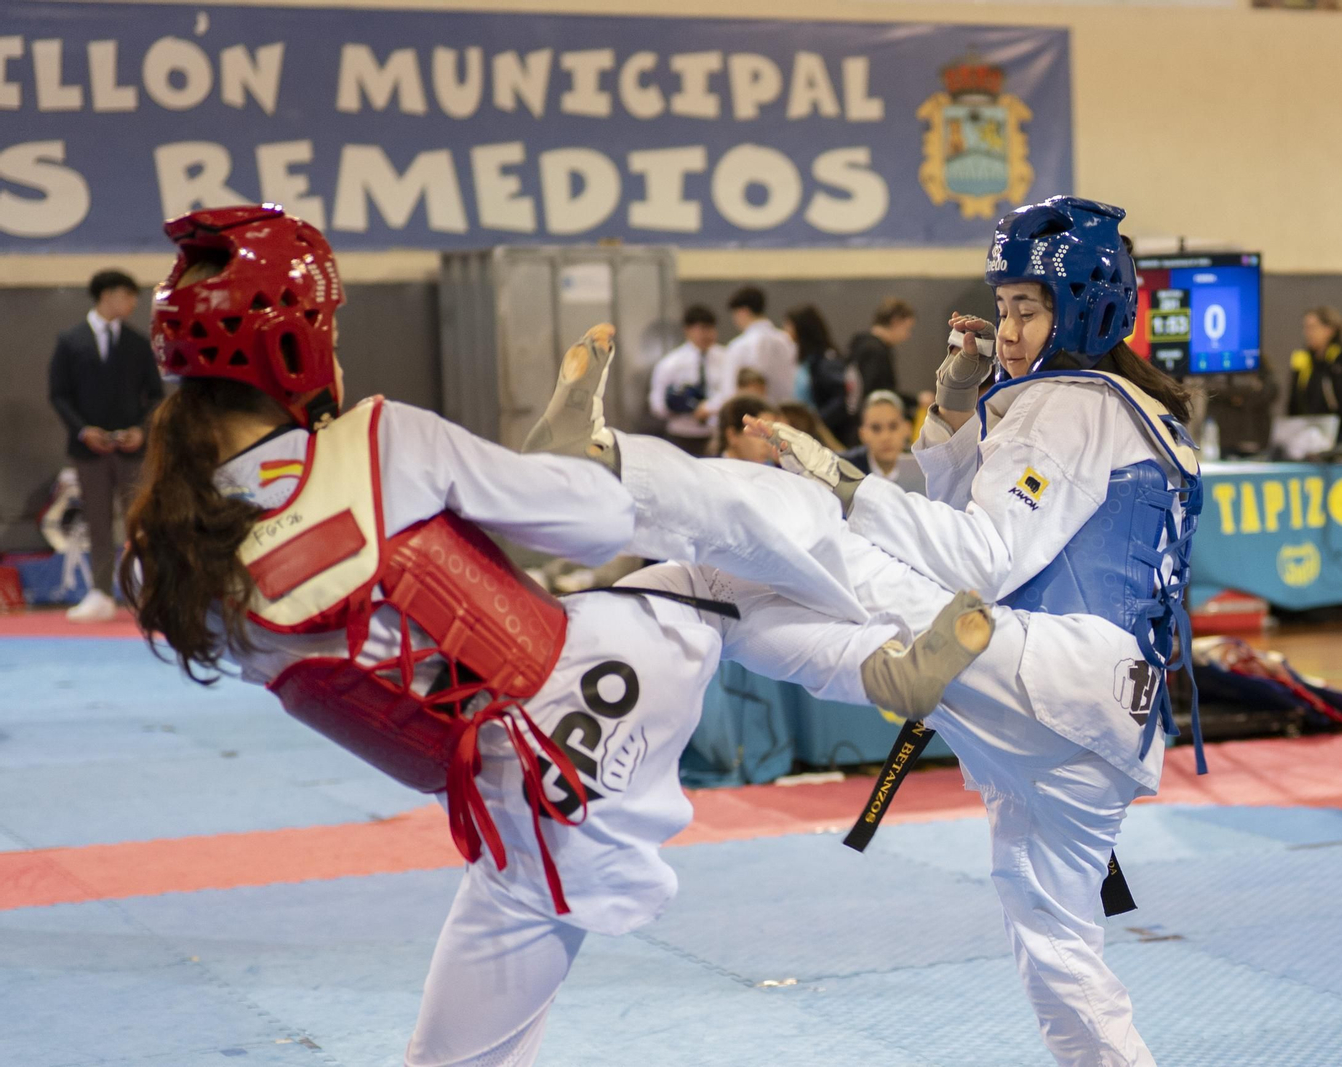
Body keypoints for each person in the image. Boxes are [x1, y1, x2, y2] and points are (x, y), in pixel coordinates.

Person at [120, 205, 990, 1067]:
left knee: (456, 1059)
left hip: (526, 816)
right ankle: (873, 659)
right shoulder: (379, 441)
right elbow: (583, 528)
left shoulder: (166, 572)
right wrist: (576, 473)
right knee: (724, 540)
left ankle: (877, 660)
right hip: (605, 677)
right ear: (294, 349)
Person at [707, 196, 1200, 1066]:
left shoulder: (1072, 406)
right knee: (1055, 949)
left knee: (833, 567)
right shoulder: (1121, 405)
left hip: (1059, 671)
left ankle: (645, 523)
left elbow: (979, 557)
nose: (1007, 331)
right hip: (1106, 725)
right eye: (1002, 307)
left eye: (1028, 309)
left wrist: (846, 487)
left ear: (1081, 309)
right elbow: (965, 522)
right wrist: (952, 411)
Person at [47, 268, 164, 622]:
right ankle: (100, 592)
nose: (131, 303)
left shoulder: (137, 343)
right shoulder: (71, 342)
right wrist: (84, 430)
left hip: (131, 449)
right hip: (90, 451)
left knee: (139, 521)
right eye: (127, 296)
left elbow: (156, 395)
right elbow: (59, 394)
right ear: (108, 295)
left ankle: (147, 591)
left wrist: (142, 430)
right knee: (97, 522)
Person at [1286, 306, 1342, 443]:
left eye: (1312, 327)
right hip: (1311, 441)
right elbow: (1293, 406)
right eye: (1305, 327)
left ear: (1330, 330)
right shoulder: (1302, 361)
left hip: (1341, 440)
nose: (1307, 333)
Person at [647, 304, 725, 455]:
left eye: (711, 328)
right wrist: (680, 405)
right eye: (702, 329)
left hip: (714, 434)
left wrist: (709, 407)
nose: (707, 334)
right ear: (688, 330)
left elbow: (731, 392)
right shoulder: (670, 363)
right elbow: (656, 404)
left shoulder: (726, 358)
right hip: (681, 435)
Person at [705, 286, 797, 407]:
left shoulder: (739, 347)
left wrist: (708, 407)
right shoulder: (786, 342)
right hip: (784, 414)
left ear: (743, 311)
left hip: (753, 416)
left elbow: (729, 392)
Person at [785, 304, 858, 445]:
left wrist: (817, 422)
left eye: (788, 325)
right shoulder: (808, 360)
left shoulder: (825, 361)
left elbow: (841, 399)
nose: (786, 331)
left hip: (826, 436)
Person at [845, 297, 917, 419]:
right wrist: (915, 401)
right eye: (907, 328)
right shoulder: (875, 351)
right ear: (896, 322)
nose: (908, 336)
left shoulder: (861, 345)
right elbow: (879, 394)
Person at [842, 390, 926, 495]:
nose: (885, 437)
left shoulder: (924, 468)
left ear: (907, 429)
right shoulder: (844, 471)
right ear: (862, 434)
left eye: (893, 426)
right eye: (876, 428)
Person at [715, 394, 779, 462]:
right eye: (759, 434)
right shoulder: (707, 470)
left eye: (769, 436)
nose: (768, 444)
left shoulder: (772, 468)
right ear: (732, 435)